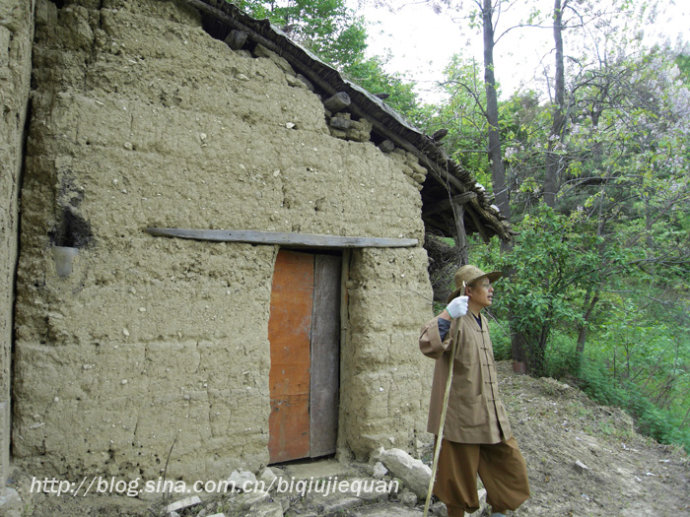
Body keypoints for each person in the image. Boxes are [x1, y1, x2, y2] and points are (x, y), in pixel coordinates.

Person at [419, 265, 530, 517]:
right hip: (460, 417)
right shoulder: (456, 320)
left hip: (490, 413)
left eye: (491, 285)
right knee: (456, 482)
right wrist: (447, 315)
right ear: (468, 291)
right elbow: (427, 344)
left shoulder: (483, 322)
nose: (491, 290)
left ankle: (499, 512)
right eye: (485, 285)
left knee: (509, 467)